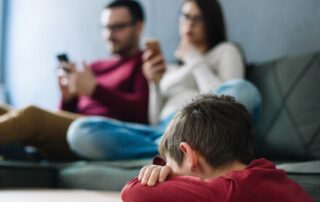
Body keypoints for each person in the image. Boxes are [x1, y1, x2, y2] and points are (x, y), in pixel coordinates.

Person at [66, 0, 261, 160]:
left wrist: (193, 58)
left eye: (197, 18)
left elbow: (228, 108)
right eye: (185, 16)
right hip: (162, 131)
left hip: (200, 126)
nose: (189, 24)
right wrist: (155, 83)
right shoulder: (172, 68)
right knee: (80, 130)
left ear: (211, 21)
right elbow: (154, 119)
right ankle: (170, 150)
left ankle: (175, 149)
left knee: (244, 90)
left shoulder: (225, 51)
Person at [0, 0, 148, 160]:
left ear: (138, 27)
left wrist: (95, 90)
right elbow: (64, 116)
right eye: (105, 28)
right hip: (73, 131)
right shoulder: (94, 67)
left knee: (32, 116)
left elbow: (140, 113)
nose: (109, 35)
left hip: (100, 133)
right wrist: (66, 98)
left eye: (117, 27)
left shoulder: (144, 63)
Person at [121, 94, 314, 202]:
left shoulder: (229, 192)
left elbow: (133, 194)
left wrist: (162, 178)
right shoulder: (265, 172)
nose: (169, 174)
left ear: (189, 155)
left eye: (171, 169)